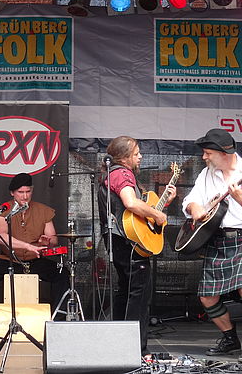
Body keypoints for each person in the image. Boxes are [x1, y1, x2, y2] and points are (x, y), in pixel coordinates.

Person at [182, 128, 242, 363]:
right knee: (207, 297)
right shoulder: (207, 174)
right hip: (217, 238)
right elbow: (190, 199)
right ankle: (230, 338)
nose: (204, 157)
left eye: (208, 153)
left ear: (225, 152)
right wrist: (195, 208)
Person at [97, 136, 176, 356]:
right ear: (123, 157)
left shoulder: (110, 173)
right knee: (139, 294)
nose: (140, 157)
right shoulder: (122, 173)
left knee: (126, 290)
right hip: (128, 242)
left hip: (119, 240)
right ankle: (135, 350)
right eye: (136, 153)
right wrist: (159, 214)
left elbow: (137, 209)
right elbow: (131, 203)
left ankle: (120, 345)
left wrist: (164, 202)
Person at [0, 172, 70, 329]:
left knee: (63, 274)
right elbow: (2, 238)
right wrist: (28, 246)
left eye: (28, 191)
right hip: (9, 260)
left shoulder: (43, 210)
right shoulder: (3, 210)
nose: (25, 196)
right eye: (21, 192)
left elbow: (54, 240)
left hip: (35, 260)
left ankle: (57, 322)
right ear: (12, 193)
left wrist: (46, 242)